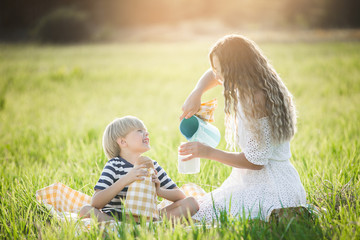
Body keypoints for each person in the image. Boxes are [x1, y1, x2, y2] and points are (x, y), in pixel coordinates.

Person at [179, 34, 306, 222]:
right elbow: (212, 75)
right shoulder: (257, 83)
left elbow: (256, 162)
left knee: (197, 216)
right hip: (263, 182)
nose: (217, 76)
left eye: (220, 70)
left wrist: (207, 152)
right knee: (197, 208)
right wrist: (196, 93)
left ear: (235, 69)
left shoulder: (255, 98)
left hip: (270, 189)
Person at [79, 116, 199, 222]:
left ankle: (145, 227)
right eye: (140, 131)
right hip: (117, 218)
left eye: (146, 131)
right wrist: (126, 179)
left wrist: (159, 190)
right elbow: (95, 202)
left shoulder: (152, 165)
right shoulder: (114, 165)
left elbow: (180, 196)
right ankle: (131, 228)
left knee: (191, 203)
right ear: (123, 141)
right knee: (86, 210)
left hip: (148, 217)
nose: (146, 134)